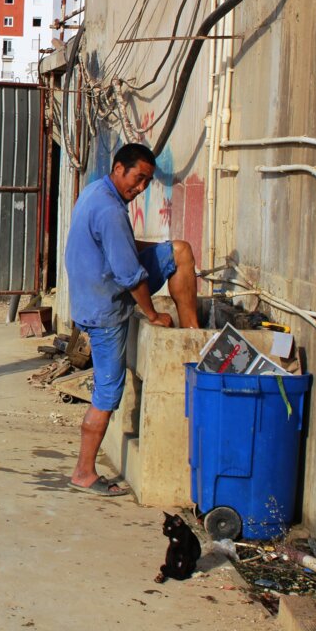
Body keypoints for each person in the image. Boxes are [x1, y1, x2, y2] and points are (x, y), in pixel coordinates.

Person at [65, 143, 200, 497]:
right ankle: (83, 472)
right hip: (105, 307)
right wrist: (153, 314)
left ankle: (194, 335)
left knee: (179, 250)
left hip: (90, 301)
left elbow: (120, 246)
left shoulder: (95, 191)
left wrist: (150, 249)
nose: (140, 188)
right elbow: (130, 276)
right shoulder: (110, 209)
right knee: (108, 391)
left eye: (146, 183)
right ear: (119, 169)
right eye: (137, 179)